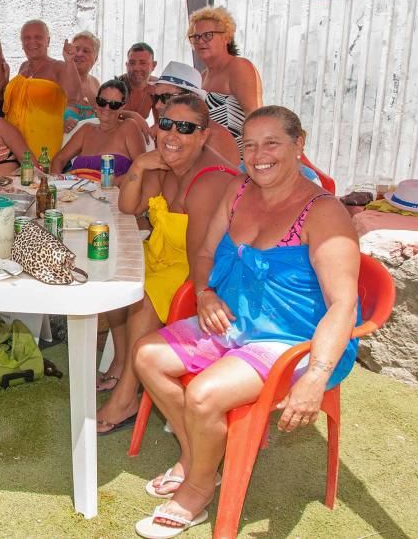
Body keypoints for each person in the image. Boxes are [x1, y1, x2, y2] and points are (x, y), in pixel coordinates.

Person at [131, 106, 359, 537]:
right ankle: (199, 455)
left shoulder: (323, 212)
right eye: (249, 145)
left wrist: (317, 376)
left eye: (272, 143)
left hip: (293, 339)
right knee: (148, 356)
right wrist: (204, 293)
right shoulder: (238, 189)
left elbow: (343, 304)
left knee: (202, 395)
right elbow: (203, 253)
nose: (258, 156)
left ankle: (197, 488)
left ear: (299, 144)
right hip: (232, 320)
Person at [94, 93, 237, 434]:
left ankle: (127, 394)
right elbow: (129, 206)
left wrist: (199, 294)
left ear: (204, 136)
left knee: (143, 298)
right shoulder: (166, 163)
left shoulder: (208, 180)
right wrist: (140, 166)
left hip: (203, 272)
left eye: (186, 128)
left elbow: (201, 256)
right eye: (167, 125)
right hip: (164, 257)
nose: (173, 135)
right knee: (112, 277)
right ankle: (121, 363)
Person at [3, 19, 81, 159]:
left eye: (38, 37)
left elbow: (73, 95)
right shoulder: (23, 67)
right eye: (27, 38)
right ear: (22, 43)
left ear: (48, 41)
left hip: (43, 142)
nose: (32, 42)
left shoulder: (58, 67)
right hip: (15, 145)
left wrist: (69, 62)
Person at [187, 5, 263, 149]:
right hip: (210, 159)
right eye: (196, 36)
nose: (201, 41)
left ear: (226, 37)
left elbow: (255, 116)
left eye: (208, 35)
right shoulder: (202, 76)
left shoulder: (238, 67)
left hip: (236, 160)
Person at [149, 61, 240, 165]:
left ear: (192, 97)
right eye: (156, 97)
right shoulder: (173, 129)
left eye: (166, 97)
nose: (157, 105)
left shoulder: (214, 137)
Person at [51, 79, 145, 179]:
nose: (107, 108)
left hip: (113, 193)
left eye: (114, 104)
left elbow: (143, 169)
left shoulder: (128, 126)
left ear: (122, 106)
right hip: (76, 192)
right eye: (102, 102)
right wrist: (56, 183)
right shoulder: (86, 129)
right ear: (96, 101)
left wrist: (116, 183)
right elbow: (59, 159)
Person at [63, 31, 102, 134]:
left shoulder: (96, 84)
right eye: (76, 49)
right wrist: (59, 123)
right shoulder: (58, 78)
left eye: (86, 51)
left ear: (96, 58)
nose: (79, 54)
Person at [118, 43, 157, 120]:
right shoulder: (116, 86)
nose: (136, 68)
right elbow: (106, 114)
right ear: (127, 65)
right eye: (132, 63)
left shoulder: (157, 88)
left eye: (142, 63)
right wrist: (132, 115)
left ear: (153, 65)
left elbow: (159, 124)